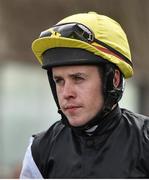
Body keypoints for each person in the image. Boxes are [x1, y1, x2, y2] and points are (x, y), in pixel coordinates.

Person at [20, 12, 149, 178]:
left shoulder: (145, 141)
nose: (66, 93)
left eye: (78, 78)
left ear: (114, 80)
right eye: (59, 80)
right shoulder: (39, 150)